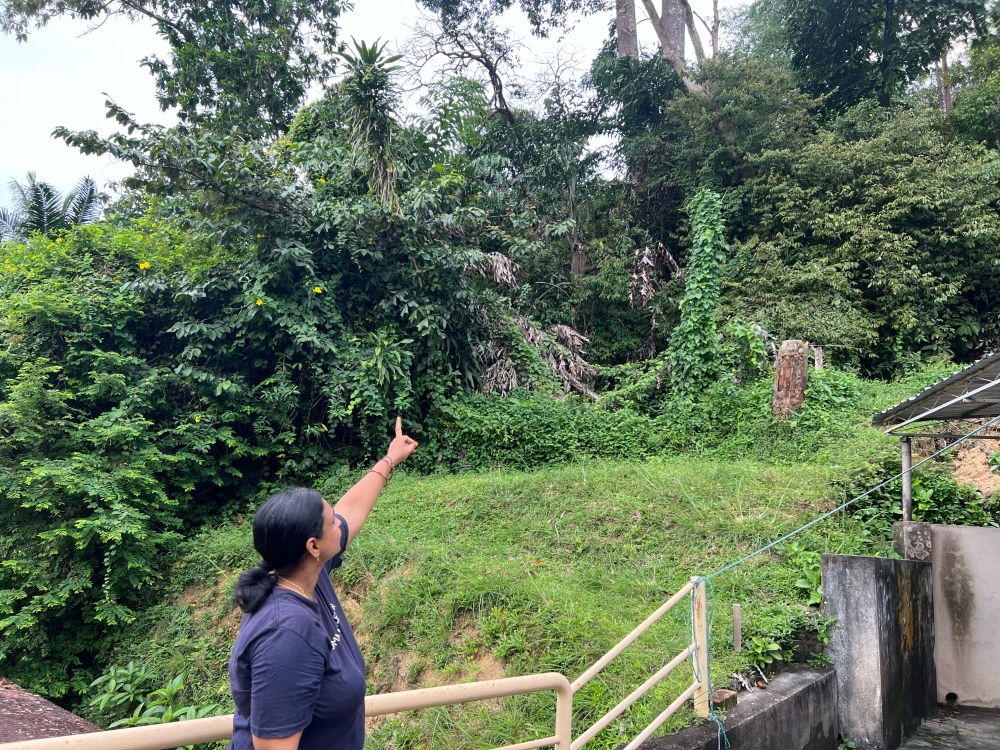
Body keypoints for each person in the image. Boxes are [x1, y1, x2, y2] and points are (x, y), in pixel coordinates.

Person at [228, 417, 419, 750]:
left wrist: (389, 459)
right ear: (312, 547)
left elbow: (352, 508)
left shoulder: (304, 574)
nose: (339, 525)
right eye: (331, 523)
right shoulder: (285, 633)